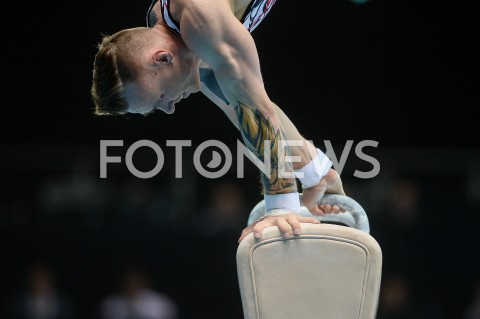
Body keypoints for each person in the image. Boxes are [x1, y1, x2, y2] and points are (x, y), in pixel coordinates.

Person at [91, 0, 346, 242]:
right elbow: (237, 107)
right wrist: (314, 171)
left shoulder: (201, 18)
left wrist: (281, 207)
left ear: (162, 58)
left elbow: (255, 110)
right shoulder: (180, 42)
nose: (169, 109)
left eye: (160, 98)